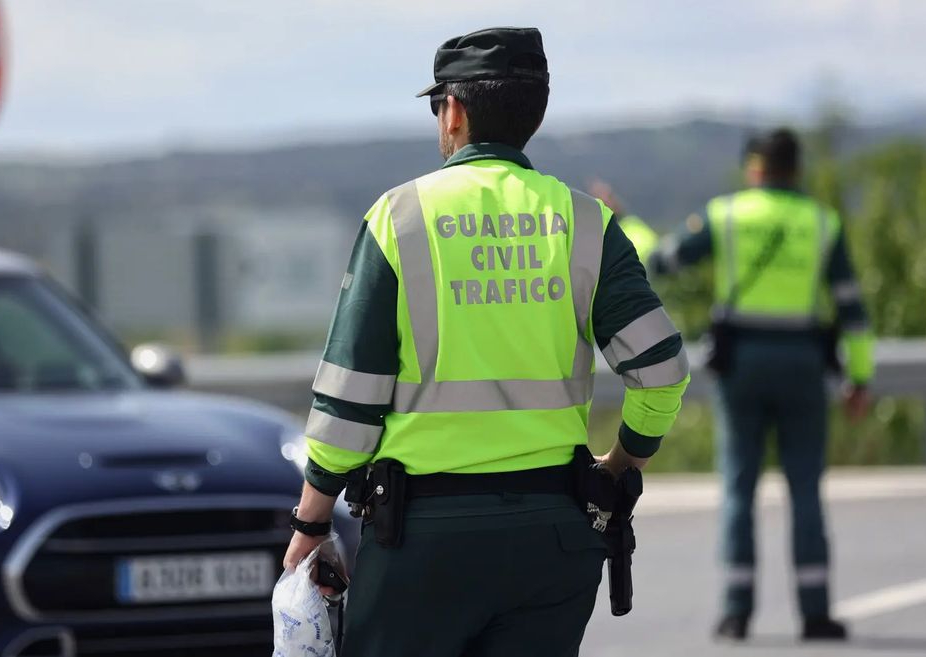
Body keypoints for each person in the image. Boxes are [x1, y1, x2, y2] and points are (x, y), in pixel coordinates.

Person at [282, 27, 690, 657]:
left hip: (421, 545)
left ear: (454, 111)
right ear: (534, 113)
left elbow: (349, 406)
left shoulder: (399, 219)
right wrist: (621, 464)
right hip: (553, 541)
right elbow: (661, 371)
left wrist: (310, 522)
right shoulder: (587, 222)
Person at [649, 128, 874, 642]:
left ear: (754, 168)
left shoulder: (727, 214)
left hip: (742, 366)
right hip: (803, 364)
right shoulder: (822, 223)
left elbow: (665, 260)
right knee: (806, 489)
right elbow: (853, 310)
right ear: (797, 169)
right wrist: (859, 378)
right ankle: (815, 613)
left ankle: (736, 612)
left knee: (738, 488)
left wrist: (627, 225)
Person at [589, 179, 659, 261]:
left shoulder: (633, 222)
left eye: (609, 196)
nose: (607, 201)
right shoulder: (598, 243)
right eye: (600, 199)